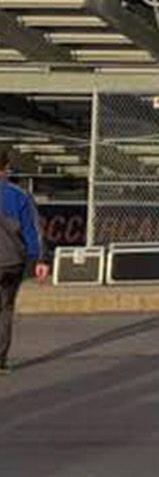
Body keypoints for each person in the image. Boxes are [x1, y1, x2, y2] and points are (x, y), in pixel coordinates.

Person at [1, 149, 51, 375]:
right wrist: (40, 259)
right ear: (6, 167)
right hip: (11, 261)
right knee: (5, 309)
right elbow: (33, 230)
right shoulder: (19, 195)